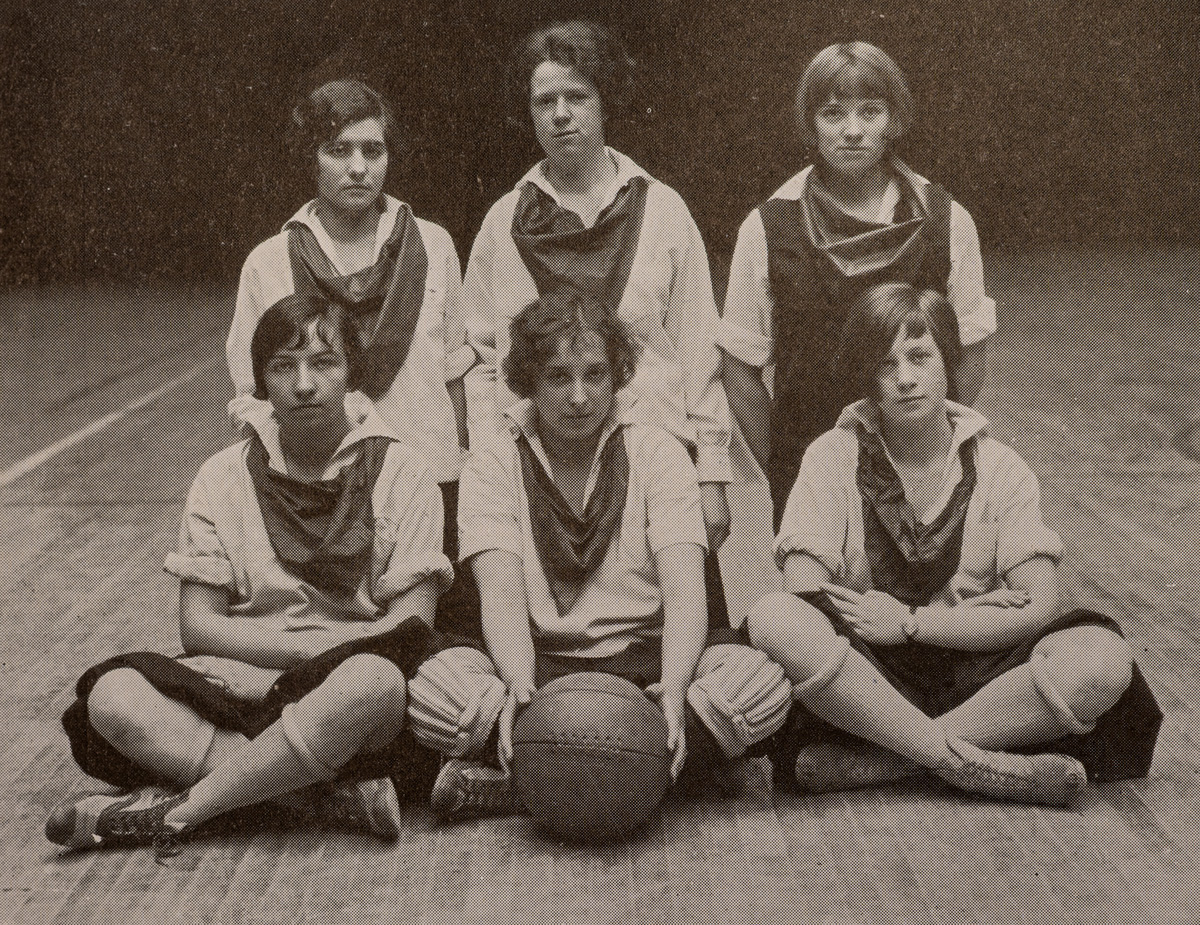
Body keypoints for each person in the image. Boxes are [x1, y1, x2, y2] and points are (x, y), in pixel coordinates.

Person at [47, 295, 456, 857]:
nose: (305, 384)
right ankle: (323, 798)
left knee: (377, 683)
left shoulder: (404, 471)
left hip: (348, 693)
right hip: (247, 684)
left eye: (324, 362)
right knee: (110, 696)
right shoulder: (222, 475)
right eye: (284, 367)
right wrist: (291, 659)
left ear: (353, 374)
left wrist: (309, 655)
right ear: (261, 380)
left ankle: (186, 808)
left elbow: (410, 629)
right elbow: (199, 627)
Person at [747, 283, 1161, 805]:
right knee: (773, 616)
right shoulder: (832, 455)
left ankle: (887, 762)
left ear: (949, 362)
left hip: (979, 674)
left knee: (1102, 657)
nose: (904, 378)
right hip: (867, 679)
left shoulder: (1001, 467)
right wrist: (981, 612)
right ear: (867, 380)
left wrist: (915, 624)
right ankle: (964, 763)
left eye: (919, 355)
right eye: (884, 364)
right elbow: (806, 591)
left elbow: (1039, 603)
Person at [406, 291, 792, 819]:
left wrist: (676, 689)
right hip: (540, 671)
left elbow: (685, 592)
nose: (579, 396)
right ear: (528, 381)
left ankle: (524, 789)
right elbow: (500, 597)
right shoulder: (492, 463)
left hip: (646, 666)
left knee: (758, 683)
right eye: (558, 377)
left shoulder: (658, 452)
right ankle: (670, 778)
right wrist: (519, 686)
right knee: (438, 692)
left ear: (618, 376)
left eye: (595, 374)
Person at [461, 20, 733, 626]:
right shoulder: (504, 223)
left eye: (577, 97)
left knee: (686, 665)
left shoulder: (662, 210)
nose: (560, 115)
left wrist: (712, 477)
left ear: (606, 100)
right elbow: (480, 365)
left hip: (655, 479)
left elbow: (699, 353)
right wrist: (492, 476)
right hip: (543, 484)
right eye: (544, 101)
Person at [721, 42, 996, 524]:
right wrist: (791, 469)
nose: (852, 131)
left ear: (893, 120)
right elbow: (740, 368)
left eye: (870, 112)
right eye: (832, 114)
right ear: (810, 123)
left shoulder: (946, 220)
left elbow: (970, 354)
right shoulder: (768, 226)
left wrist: (923, 447)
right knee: (820, 599)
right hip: (810, 473)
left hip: (919, 468)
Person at [225, 79, 470, 559]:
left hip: (430, 484)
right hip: (316, 496)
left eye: (373, 151)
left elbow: (455, 377)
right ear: (309, 157)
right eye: (339, 150)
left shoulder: (433, 246)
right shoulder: (268, 261)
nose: (358, 168)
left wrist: (457, 470)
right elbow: (251, 397)